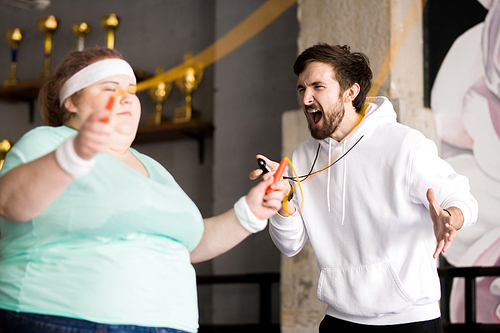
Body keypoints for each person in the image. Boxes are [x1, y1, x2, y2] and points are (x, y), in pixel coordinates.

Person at [0, 47, 286, 333]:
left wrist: (250, 213)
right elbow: (10, 203)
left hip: (169, 325)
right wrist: (75, 154)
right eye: (110, 88)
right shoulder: (49, 141)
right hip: (61, 318)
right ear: (72, 101)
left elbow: (189, 243)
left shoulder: (153, 167)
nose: (125, 97)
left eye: (132, 90)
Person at [252, 44, 479, 332]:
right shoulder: (301, 158)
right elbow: (289, 245)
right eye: (301, 89)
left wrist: (451, 217)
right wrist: (282, 201)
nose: (306, 98)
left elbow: (462, 197)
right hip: (340, 320)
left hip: (410, 321)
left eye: (317, 86)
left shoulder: (404, 145)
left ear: (350, 92)